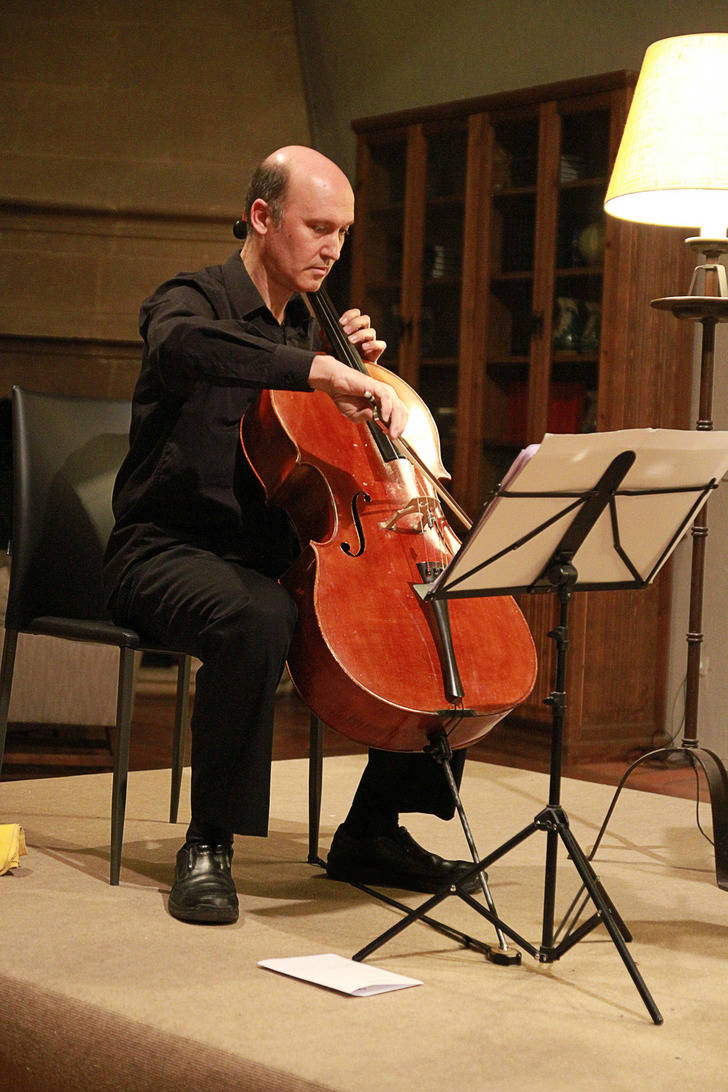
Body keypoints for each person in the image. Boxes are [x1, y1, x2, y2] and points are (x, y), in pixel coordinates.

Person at [104, 145, 472, 925]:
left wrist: (363, 378)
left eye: (342, 231)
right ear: (264, 217)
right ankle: (208, 845)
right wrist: (318, 373)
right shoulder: (191, 300)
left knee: (440, 612)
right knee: (257, 616)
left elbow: (342, 474)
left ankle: (372, 830)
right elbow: (182, 349)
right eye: (317, 227)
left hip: (280, 558)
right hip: (166, 552)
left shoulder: (316, 333)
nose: (332, 247)